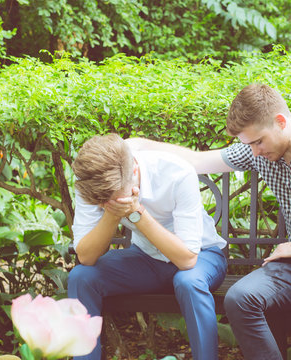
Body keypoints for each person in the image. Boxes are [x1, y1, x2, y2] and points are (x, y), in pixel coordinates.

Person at [126, 83, 291, 360]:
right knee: (240, 299)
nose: (255, 152)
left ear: (281, 122)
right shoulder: (257, 150)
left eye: (258, 142)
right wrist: (134, 145)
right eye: (248, 144)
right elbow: (196, 161)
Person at [67, 133, 227, 360]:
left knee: (189, 282)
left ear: (133, 169)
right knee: (81, 277)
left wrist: (137, 214)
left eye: (113, 198)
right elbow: (86, 256)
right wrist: (111, 215)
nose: (107, 203)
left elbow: (187, 259)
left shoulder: (176, 172)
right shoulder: (91, 183)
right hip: (146, 259)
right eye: (103, 202)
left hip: (202, 256)